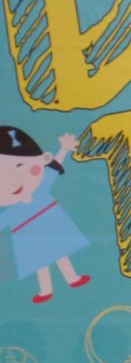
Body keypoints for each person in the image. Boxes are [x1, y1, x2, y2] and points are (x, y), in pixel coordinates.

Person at [0, 123, 91, 303]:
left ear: (42, 159)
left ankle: (72, 278)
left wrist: (64, 147)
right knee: (40, 263)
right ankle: (45, 291)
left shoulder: (40, 188)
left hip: (52, 227)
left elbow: (52, 169)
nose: (12, 183)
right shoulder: (13, 209)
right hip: (29, 237)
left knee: (61, 254)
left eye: (19, 166)